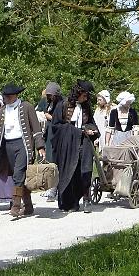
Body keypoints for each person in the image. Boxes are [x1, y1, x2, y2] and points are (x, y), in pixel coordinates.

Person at [0, 84, 46, 218]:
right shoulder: (3, 111)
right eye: (5, 96)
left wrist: (40, 146)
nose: (6, 98)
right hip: (8, 147)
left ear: (15, 95)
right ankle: (28, 206)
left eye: (8, 96)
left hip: (23, 145)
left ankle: (16, 206)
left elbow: (36, 128)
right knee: (17, 177)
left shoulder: (27, 107)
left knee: (18, 174)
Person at [51, 80, 99, 213]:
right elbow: (56, 126)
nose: (86, 98)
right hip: (68, 144)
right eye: (84, 95)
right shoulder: (63, 105)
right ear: (78, 93)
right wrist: (78, 131)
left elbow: (91, 123)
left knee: (85, 170)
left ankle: (86, 199)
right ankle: (70, 203)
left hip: (84, 142)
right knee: (69, 171)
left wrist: (92, 130)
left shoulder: (86, 107)